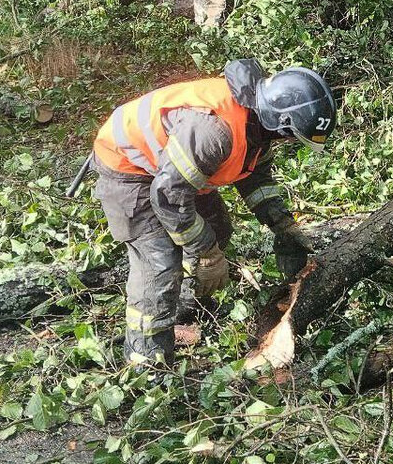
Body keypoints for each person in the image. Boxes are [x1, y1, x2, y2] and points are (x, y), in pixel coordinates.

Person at [91, 59, 337, 367]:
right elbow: (168, 196)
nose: (288, 141)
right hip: (129, 168)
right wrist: (205, 254)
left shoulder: (258, 127)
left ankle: (185, 308)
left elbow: (256, 180)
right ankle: (146, 361)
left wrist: (283, 225)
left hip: (174, 173)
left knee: (217, 229)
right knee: (159, 263)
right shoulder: (215, 131)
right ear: (281, 122)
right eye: (290, 136)